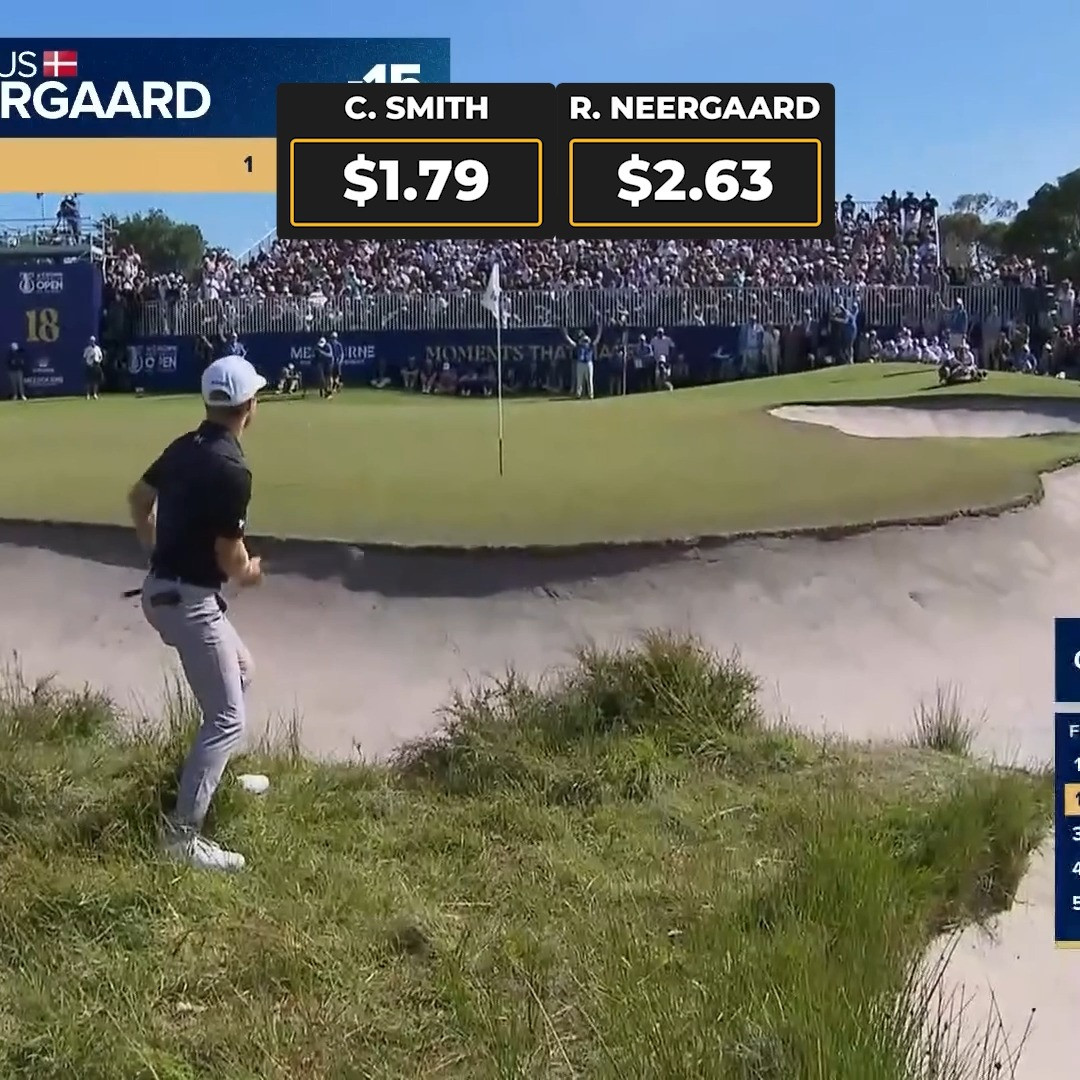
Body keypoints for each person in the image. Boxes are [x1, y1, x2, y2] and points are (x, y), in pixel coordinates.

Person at [126, 355, 268, 872]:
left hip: (167, 592)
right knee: (226, 718)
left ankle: (211, 779)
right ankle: (181, 838)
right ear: (249, 406)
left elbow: (138, 500)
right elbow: (229, 556)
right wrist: (248, 571)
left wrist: (157, 553)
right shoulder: (233, 469)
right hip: (189, 603)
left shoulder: (184, 447)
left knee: (243, 671)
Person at [83, 335, 103, 400]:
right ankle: (88, 394)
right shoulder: (87, 349)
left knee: (96, 381)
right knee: (88, 381)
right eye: (91, 341)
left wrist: (99, 361)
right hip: (89, 365)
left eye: (93, 341)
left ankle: (95, 394)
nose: (92, 342)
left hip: (96, 365)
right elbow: (84, 357)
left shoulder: (97, 348)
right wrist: (88, 362)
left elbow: (101, 356)